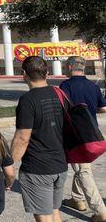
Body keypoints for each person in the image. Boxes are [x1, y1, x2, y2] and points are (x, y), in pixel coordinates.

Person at [11, 56, 67, 222]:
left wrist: (10, 164)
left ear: (23, 74)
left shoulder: (28, 100)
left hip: (38, 168)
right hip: (60, 164)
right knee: (55, 211)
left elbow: (22, 138)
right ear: (47, 73)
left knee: (43, 216)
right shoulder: (59, 94)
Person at [60, 56, 106, 222]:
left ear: (71, 67)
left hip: (76, 136)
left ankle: (100, 211)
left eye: (66, 66)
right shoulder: (92, 87)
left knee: (83, 171)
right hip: (92, 134)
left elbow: (61, 109)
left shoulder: (65, 86)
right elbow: (103, 107)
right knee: (83, 167)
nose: (65, 69)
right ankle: (77, 199)